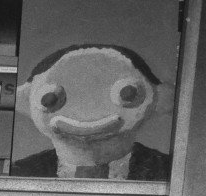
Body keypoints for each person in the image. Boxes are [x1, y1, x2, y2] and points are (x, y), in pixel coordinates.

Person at [11, 43, 174, 180]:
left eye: (127, 94)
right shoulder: (22, 172)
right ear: (26, 100)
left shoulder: (167, 170)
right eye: (50, 99)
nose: (87, 110)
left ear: (160, 98)